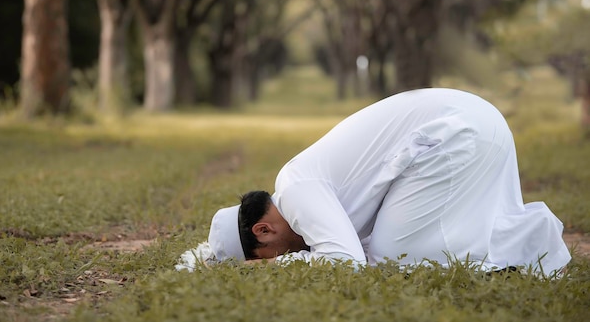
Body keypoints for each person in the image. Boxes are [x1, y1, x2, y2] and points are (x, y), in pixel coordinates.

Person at [207, 88, 571, 275]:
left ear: (263, 231)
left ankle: (521, 254)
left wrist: (268, 267)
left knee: (390, 258)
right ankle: (528, 248)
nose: (285, 256)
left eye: (268, 255)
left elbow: (345, 262)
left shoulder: (293, 190)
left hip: (456, 133)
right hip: (478, 121)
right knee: (394, 245)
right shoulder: (298, 182)